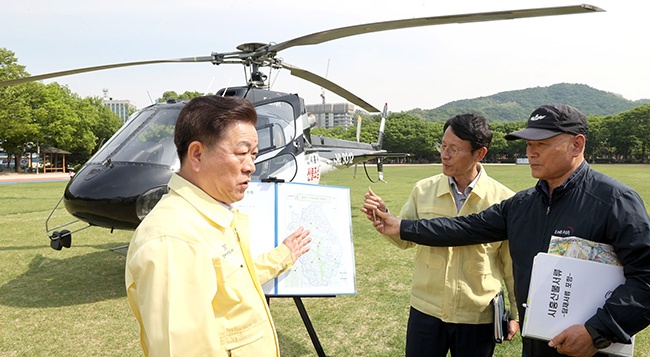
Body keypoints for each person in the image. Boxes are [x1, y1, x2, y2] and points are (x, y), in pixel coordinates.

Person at [363, 104, 650, 357]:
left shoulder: (613, 201)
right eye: (528, 145)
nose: (531, 152)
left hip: (590, 347)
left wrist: (597, 331)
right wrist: (401, 226)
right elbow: (464, 228)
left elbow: (646, 277)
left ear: (577, 145)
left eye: (543, 144)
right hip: (537, 343)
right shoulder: (522, 204)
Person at [125, 95, 311, 356]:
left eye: (254, 154)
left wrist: (284, 255)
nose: (251, 166)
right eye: (241, 153)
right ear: (197, 155)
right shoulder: (173, 239)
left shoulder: (210, 216)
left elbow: (233, 281)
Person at [367, 114, 519, 356]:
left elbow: (512, 264)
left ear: (479, 154)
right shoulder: (423, 190)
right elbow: (405, 238)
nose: (444, 154)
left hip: (477, 316)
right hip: (426, 311)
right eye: (443, 145)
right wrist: (386, 219)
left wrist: (515, 313)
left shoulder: (503, 200)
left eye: (454, 149)